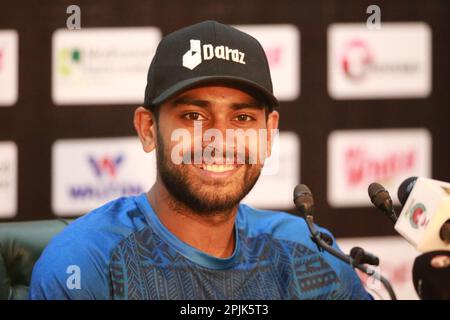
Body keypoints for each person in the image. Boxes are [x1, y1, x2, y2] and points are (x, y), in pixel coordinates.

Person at [29, 20, 371, 300]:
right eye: (193, 116)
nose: (218, 138)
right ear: (148, 129)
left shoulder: (311, 255)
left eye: (242, 119)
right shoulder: (86, 263)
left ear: (269, 133)